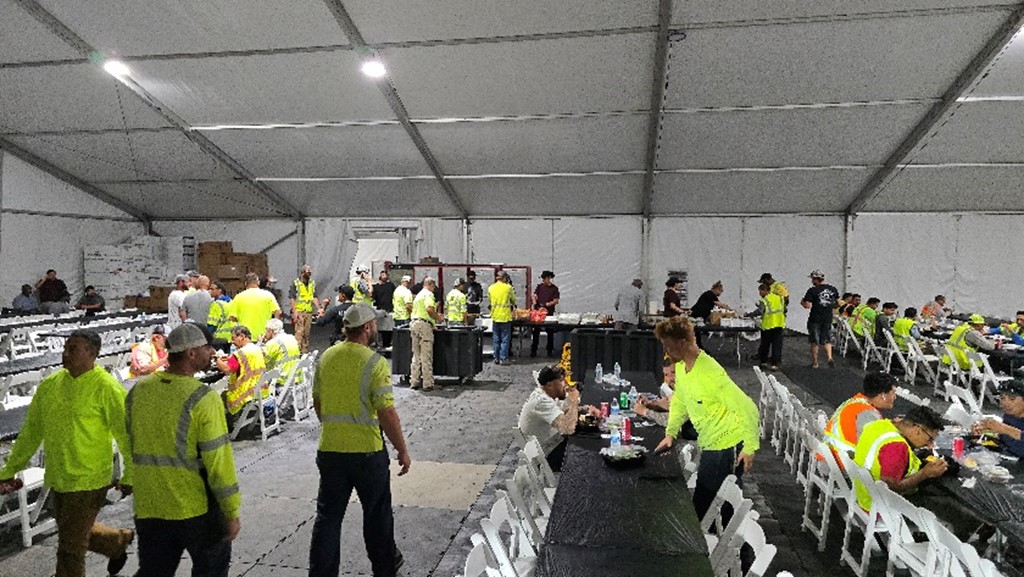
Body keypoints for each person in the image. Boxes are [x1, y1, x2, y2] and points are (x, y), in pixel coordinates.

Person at [0, 330, 134, 577]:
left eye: (73, 349)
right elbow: (31, 432)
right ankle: (116, 542)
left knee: (70, 551)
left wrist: (130, 475)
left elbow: (126, 433)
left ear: (92, 355)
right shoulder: (50, 386)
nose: (66, 353)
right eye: (65, 347)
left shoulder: (106, 387)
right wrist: (8, 471)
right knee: (73, 531)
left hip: (90, 478)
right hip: (59, 476)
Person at [126, 323, 241, 577]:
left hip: (150, 504)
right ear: (190, 353)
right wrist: (231, 511)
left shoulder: (138, 391)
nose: (212, 352)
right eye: (207, 347)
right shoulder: (203, 398)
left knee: (154, 572)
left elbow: (129, 443)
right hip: (194, 507)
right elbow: (218, 462)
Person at [308, 303, 410, 577]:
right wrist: (402, 449)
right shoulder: (374, 362)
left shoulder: (327, 357)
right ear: (367, 328)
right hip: (367, 452)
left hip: (330, 450)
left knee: (328, 518)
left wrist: (335, 427)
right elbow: (387, 412)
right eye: (374, 324)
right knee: (377, 516)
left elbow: (318, 403)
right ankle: (384, 569)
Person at [654, 317, 760, 519]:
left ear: (682, 343)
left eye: (668, 346)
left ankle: (736, 547)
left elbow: (748, 408)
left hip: (726, 446)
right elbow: (680, 402)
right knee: (709, 501)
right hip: (710, 442)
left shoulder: (710, 372)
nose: (666, 351)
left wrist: (749, 448)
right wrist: (671, 433)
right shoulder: (681, 367)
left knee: (713, 504)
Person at [852, 406, 947, 511]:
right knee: (942, 506)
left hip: (860, 492)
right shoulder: (896, 447)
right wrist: (925, 473)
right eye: (930, 439)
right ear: (918, 430)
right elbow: (890, 490)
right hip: (876, 507)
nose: (930, 445)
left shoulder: (879, 424)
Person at [517, 366, 601, 472]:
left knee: (589, 440)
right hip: (546, 455)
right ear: (549, 385)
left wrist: (587, 409)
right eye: (561, 381)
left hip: (553, 443)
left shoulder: (547, 396)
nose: (565, 384)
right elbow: (567, 428)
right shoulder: (541, 401)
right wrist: (574, 401)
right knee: (590, 456)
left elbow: (564, 410)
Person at [823, 373, 897, 465]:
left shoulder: (855, 402)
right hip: (840, 465)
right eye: (893, 393)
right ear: (883, 395)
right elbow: (875, 447)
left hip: (829, 456)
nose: (895, 397)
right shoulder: (868, 414)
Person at [215, 325, 266, 432]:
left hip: (244, 393)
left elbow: (227, 369)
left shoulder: (240, 353)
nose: (231, 341)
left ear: (242, 336)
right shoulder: (256, 349)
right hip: (259, 389)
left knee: (220, 397)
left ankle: (228, 426)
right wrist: (230, 358)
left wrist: (216, 359)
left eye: (233, 338)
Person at [974, 380, 1024, 458]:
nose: (1005, 403)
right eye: (1002, 398)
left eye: (1012, 398)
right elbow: (1005, 438)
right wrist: (985, 433)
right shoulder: (1010, 416)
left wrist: (1004, 429)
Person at [800, 270, 839, 368]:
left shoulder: (813, 290)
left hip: (815, 318)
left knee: (814, 341)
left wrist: (802, 302)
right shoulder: (833, 289)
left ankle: (815, 363)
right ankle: (830, 357)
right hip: (828, 317)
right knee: (826, 339)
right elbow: (838, 303)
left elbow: (807, 305)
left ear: (815, 279)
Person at [410, 277, 443, 391]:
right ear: (431, 285)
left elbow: (419, 312)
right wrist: (438, 318)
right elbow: (429, 310)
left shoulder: (418, 295)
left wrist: (432, 323)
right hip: (424, 326)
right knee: (426, 355)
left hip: (414, 324)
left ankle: (414, 381)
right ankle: (428, 383)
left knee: (416, 355)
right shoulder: (428, 295)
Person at [228, 272, 281, 338]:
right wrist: (272, 329)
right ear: (258, 282)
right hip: (263, 336)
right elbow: (278, 312)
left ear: (245, 284)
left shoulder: (238, 297)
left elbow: (232, 318)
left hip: (245, 337)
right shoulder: (268, 295)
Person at [747, 282, 785, 370]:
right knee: (776, 345)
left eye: (760, 291)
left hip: (768, 325)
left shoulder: (765, 300)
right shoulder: (779, 298)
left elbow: (760, 311)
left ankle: (763, 362)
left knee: (765, 345)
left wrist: (749, 315)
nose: (759, 294)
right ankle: (774, 364)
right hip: (779, 324)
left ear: (765, 290)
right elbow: (783, 309)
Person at [290, 265, 321, 354]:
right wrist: (295, 311)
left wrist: (319, 308)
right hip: (299, 311)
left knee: (306, 334)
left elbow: (314, 296)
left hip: (308, 311)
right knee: (299, 333)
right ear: (303, 273)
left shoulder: (312, 283)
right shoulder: (296, 283)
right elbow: (292, 298)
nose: (309, 273)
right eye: (308, 272)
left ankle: (304, 352)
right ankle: (296, 352)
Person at [262, 318, 301, 386]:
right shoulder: (291, 337)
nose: (264, 333)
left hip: (281, 379)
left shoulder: (273, 343)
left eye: (266, 330)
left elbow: (263, 361)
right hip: (296, 377)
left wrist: (260, 343)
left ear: (271, 331)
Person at [488, 271, 516, 365]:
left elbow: (490, 300)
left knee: (496, 338)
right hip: (505, 316)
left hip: (495, 316)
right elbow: (513, 300)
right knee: (505, 339)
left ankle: (496, 358)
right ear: (504, 278)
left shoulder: (491, 288)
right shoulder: (508, 288)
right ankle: (503, 358)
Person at [531, 270, 560, 358]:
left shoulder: (554, 288)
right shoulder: (540, 287)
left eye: (544, 278)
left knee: (550, 332)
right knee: (536, 332)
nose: (543, 280)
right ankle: (534, 350)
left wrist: (549, 304)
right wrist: (535, 301)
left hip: (549, 313)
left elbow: (556, 300)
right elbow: (534, 295)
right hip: (538, 313)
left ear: (548, 278)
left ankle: (549, 350)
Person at [207, 280, 235, 353]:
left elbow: (212, 324)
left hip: (219, 338)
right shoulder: (231, 302)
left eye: (212, 289)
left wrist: (207, 336)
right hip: (230, 337)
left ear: (220, 290)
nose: (210, 291)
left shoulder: (216, 304)